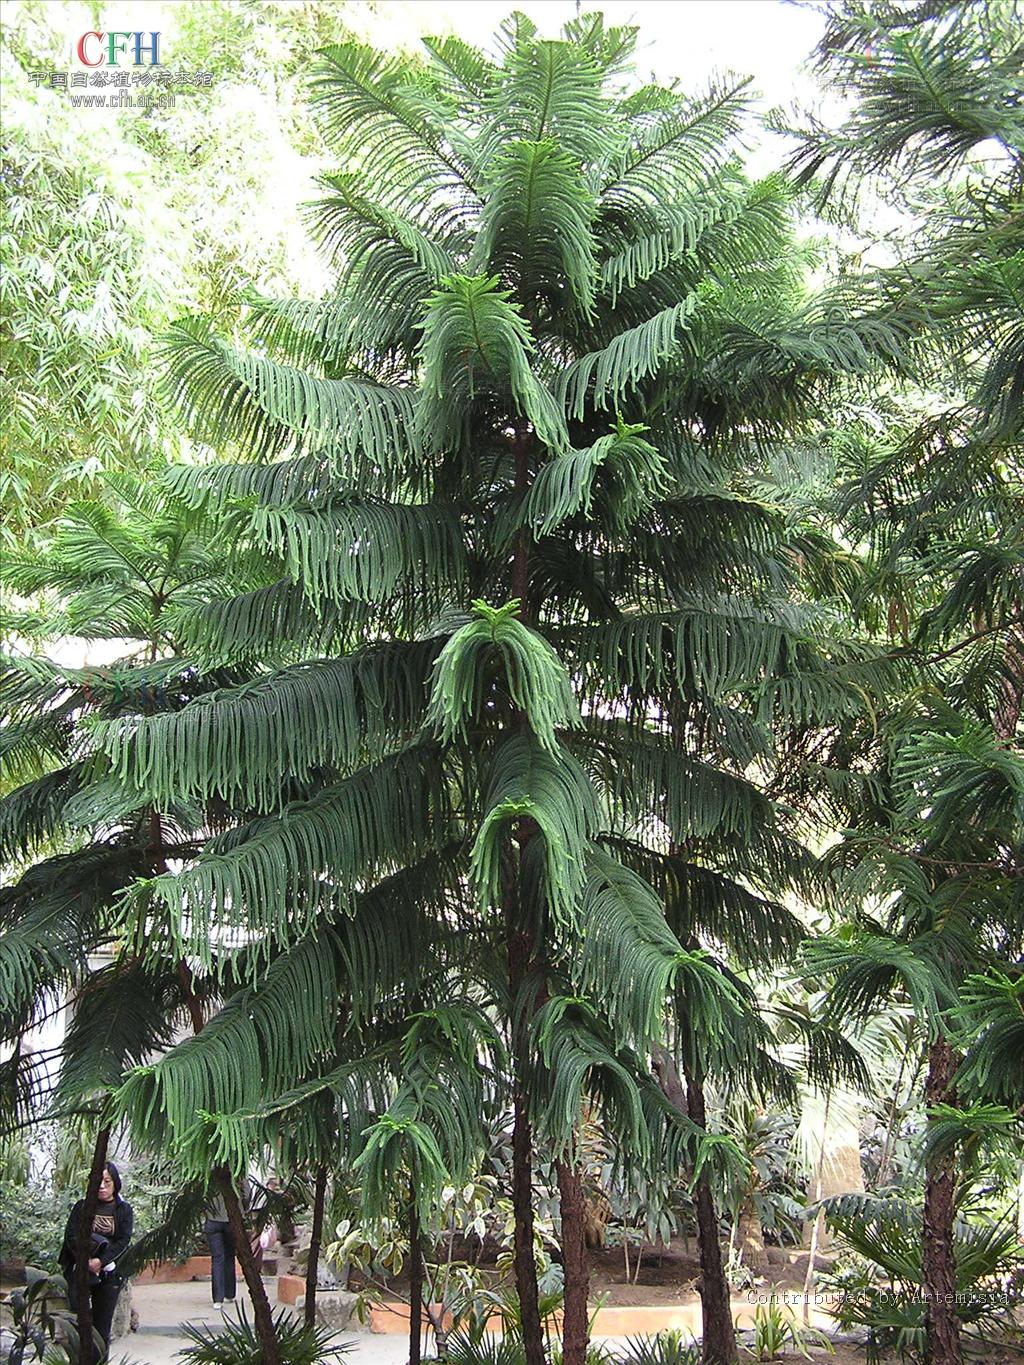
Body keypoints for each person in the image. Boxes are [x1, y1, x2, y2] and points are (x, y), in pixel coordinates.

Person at [58, 1162, 134, 1349]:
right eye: (98, 1181)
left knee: (101, 1328)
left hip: (109, 1273)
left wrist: (101, 1261)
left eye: (107, 1181)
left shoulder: (124, 1210)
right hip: (80, 1270)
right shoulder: (82, 1207)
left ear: (115, 1183)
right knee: (78, 1323)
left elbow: (123, 1240)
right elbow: (71, 1236)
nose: (102, 1186)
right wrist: (85, 1261)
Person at [203, 1177, 249, 1310]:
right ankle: (230, 1294)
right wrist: (242, 1207)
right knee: (229, 1256)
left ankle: (217, 1299)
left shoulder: (209, 1169)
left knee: (217, 1259)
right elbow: (247, 1192)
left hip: (212, 1218)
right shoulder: (237, 1168)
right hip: (232, 1218)